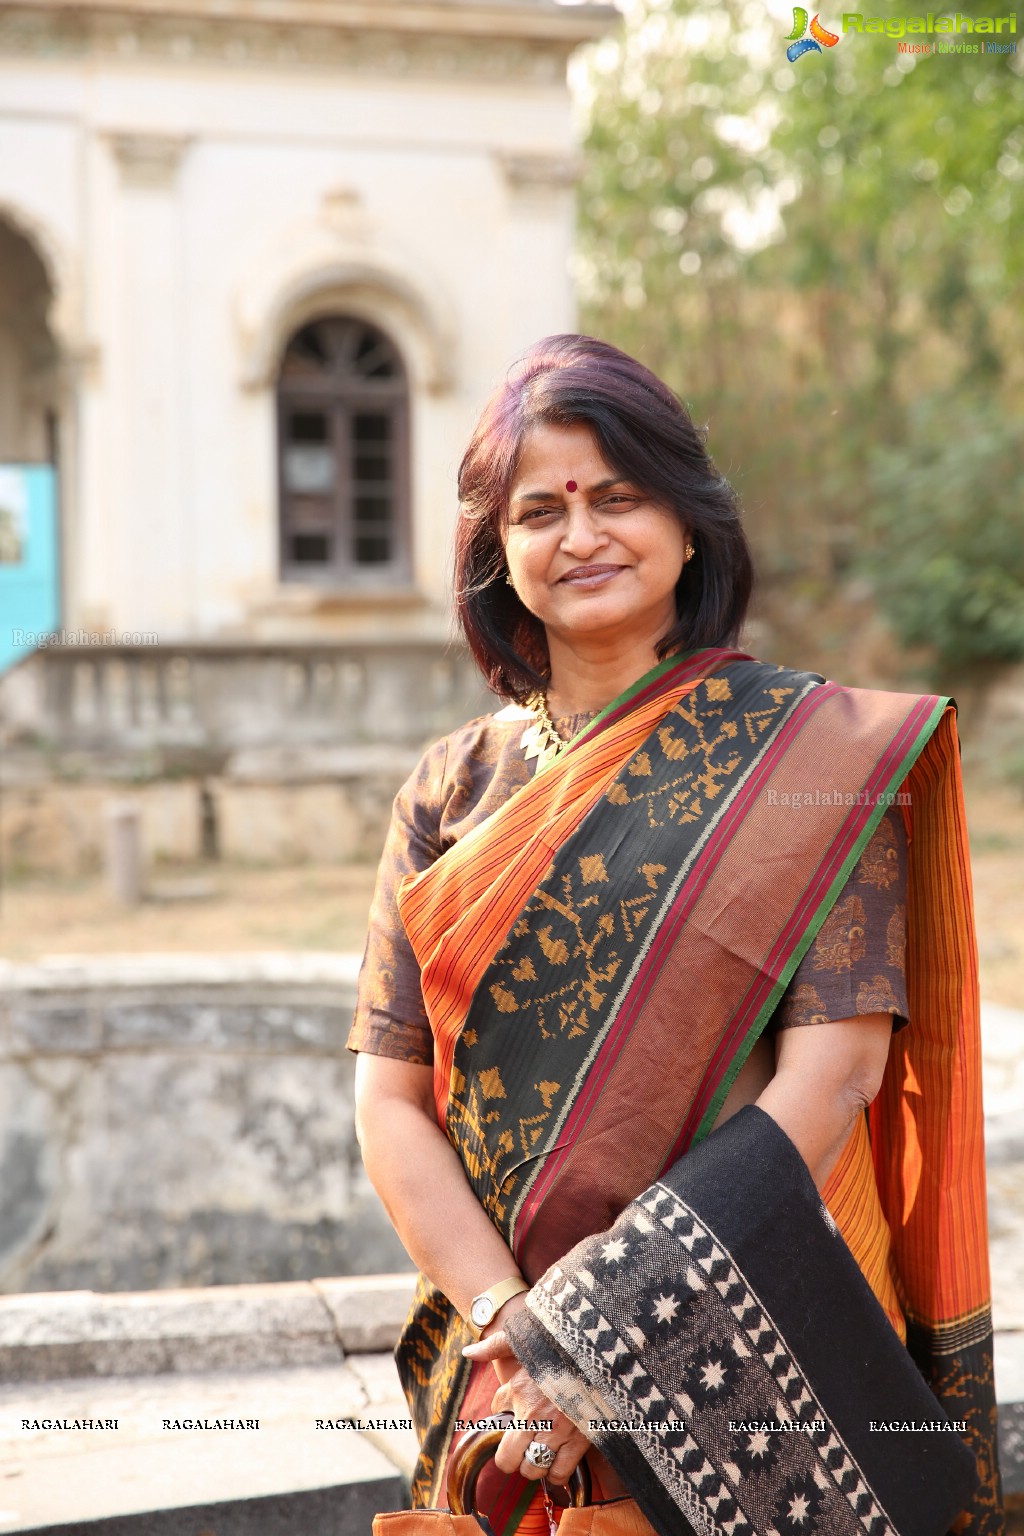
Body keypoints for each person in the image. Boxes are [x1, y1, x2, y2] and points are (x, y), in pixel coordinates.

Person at [348, 336, 1001, 1535]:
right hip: (494, 1365)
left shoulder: (810, 760)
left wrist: (593, 1341)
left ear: (691, 523)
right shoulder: (449, 790)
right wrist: (512, 1328)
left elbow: (836, 1073)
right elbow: (391, 1099)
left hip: (738, 1335)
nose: (579, 532)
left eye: (618, 496)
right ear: (497, 554)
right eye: (538, 509)